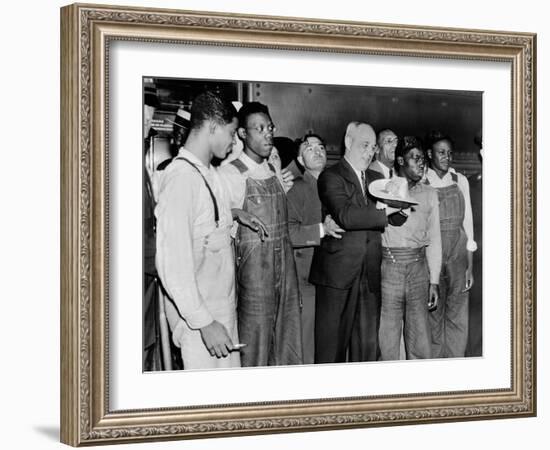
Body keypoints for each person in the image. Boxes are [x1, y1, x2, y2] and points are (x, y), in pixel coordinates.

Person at [155, 91, 265, 369]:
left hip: (221, 312)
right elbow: (173, 265)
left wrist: (234, 215)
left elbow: (206, 226)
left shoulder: (208, 172)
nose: (233, 142)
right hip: (200, 324)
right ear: (212, 126)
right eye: (230, 133)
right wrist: (204, 323)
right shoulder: (181, 179)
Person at [309, 122, 404, 364]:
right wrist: (387, 210)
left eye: (373, 148)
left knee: (367, 351)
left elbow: (392, 216)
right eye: (364, 145)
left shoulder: (376, 177)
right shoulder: (331, 176)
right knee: (332, 351)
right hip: (337, 276)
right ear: (348, 142)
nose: (369, 152)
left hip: (369, 274)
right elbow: (346, 216)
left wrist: (402, 207)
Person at [219, 102, 303, 367]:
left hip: (286, 272)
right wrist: (234, 212)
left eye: (270, 128)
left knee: (288, 345)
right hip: (254, 277)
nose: (268, 134)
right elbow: (218, 224)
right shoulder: (230, 173)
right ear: (242, 134)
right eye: (260, 128)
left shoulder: (271, 169)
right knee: (254, 349)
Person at [375, 136, 441, 360]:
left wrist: (434, 281)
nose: (421, 163)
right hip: (390, 268)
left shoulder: (430, 194)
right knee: (388, 335)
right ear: (401, 160)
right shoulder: (382, 189)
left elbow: (435, 239)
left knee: (420, 336)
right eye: (415, 158)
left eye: (423, 159)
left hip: (418, 269)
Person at [286, 134, 344, 364]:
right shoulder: (297, 189)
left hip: (336, 278)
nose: (317, 150)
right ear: (300, 159)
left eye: (320, 146)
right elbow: (288, 232)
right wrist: (321, 230)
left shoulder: (337, 186)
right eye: (309, 148)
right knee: (308, 344)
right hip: (307, 279)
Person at [425, 131, 477, 358]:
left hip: (457, 255)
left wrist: (470, 266)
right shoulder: (421, 180)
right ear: (429, 154)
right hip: (431, 256)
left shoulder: (460, 180)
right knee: (432, 315)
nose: (447, 157)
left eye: (449, 153)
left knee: (457, 315)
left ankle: (457, 366)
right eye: (441, 152)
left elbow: (469, 226)